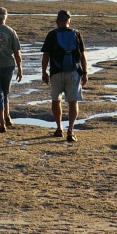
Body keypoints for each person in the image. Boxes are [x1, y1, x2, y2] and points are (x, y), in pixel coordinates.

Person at [41, 10, 88, 142]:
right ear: (70, 21)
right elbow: (83, 56)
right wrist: (85, 73)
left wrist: (44, 72)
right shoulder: (76, 34)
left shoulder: (51, 35)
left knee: (56, 100)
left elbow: (46, 56)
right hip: (73, 72)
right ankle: (71, 131)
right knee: (73, 102)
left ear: (57, 22)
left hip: (56, 72)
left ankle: (59, 128)